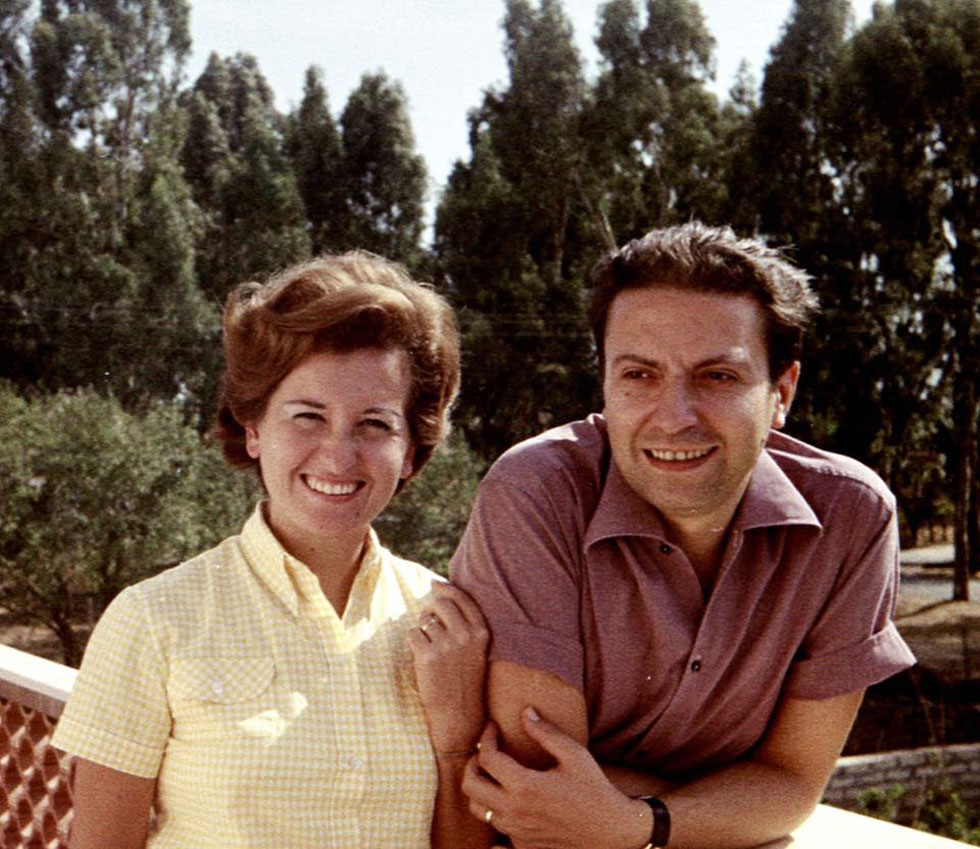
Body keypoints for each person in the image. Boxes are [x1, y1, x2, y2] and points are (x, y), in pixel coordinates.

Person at [452, 223, 916, 849]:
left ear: (781, 392)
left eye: (717, 377)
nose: (673, 418)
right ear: (606, 383)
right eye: (639, 375)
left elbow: (792, 784)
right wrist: (730, 807)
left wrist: (637, 823)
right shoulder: (537, 491)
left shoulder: (852, 517)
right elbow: (537, 783)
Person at [52, 252, 488, 848]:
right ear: (253, 428)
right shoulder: (153, 619)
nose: (338, 455)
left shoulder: (449, 622)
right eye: (308, 416)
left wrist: (458, 733)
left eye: (375, 424)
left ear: (411, 449)